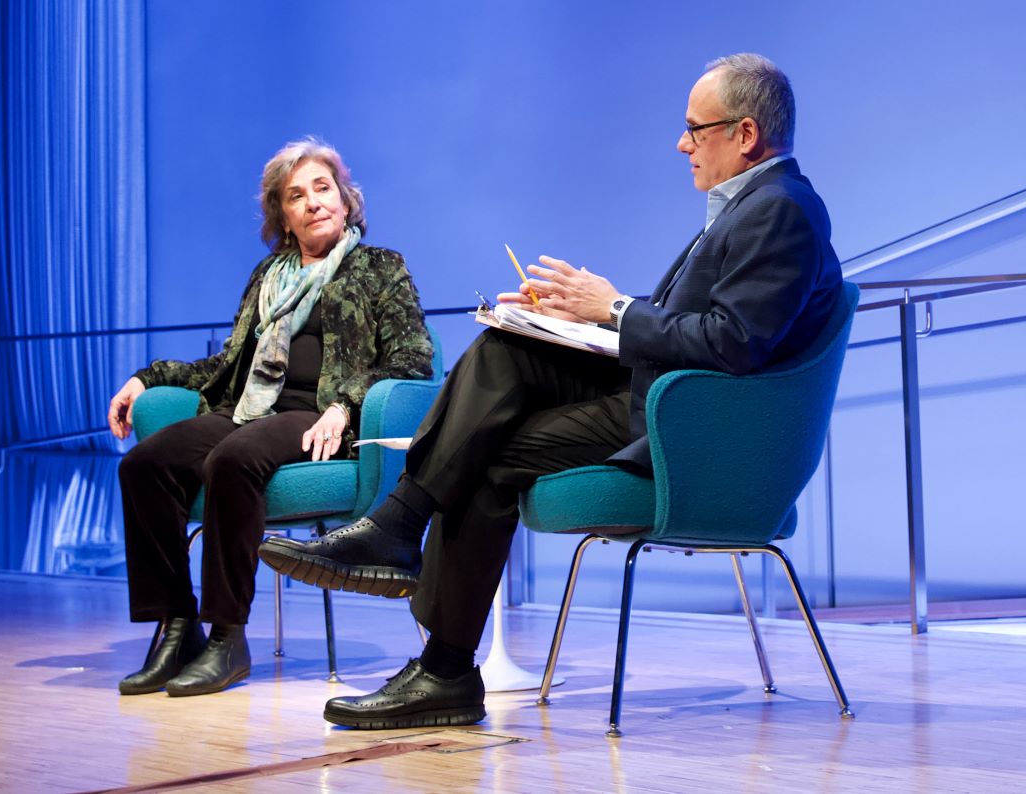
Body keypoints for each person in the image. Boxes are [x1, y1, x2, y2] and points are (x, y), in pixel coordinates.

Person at [259, 54, 844, 730]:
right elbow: (700, 328)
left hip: (690, 431)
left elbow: (734, 341)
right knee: (509, 347)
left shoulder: (783, 212)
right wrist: (574, 317)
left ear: (745, 135)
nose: (681, 143)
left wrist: (617, 309)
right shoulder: (754, 207)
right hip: (660, 399)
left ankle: (430, 628)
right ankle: (418, 593)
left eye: (694, 128)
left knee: (485, 449)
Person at [106, 139, 434, 697]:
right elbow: (227, 362)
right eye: (295, 196)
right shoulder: (268, 277)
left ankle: (227, 636)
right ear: (282, 216)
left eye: (322, 188)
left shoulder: (379, 268)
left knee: (232, 460)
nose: (312, 203)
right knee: (144, 464)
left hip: (316, 417)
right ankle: (177, 628)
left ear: (346, 199)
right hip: (247, 409)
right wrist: (148, 376)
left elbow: (412, 356)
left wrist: (344, 402)